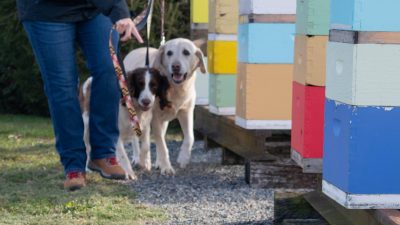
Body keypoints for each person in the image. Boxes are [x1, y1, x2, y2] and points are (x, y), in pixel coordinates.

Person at [16, 0, 143, 191]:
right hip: (45, 11)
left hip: (95, 8)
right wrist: (117, 9)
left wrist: (118, 10)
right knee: (62, 86)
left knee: (109, 70)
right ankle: (74, 165)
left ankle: (103, 154)